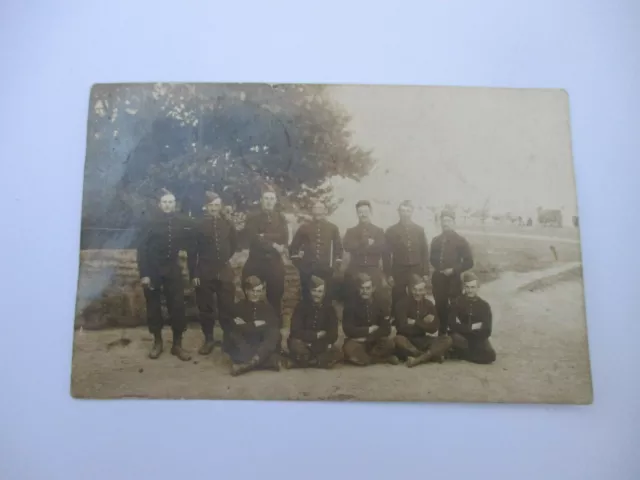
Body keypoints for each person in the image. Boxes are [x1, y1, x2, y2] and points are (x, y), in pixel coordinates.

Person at [136, 188, 193, 361]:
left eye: (171, 202)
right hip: (153, 271)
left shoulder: (181, 221)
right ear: (160, 205)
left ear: (175, 205)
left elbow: (195, 235)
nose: (168, 205)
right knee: (153, 308)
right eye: (165, 202)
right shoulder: (149, 222)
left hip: (172, 270)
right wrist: (145, 274)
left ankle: (177, 345)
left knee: (177, 306)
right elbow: (142, 249)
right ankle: (157, 342)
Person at [188, 191, 238, 355]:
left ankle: (228, 338)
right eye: (212, 206)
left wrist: (223, 260)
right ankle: (209, 339)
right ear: (206, 207)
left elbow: (233, 246)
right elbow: (192, 252)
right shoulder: (198, 226)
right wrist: (194, 274)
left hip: (224, 270)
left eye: (217, 205)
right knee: (206, 308)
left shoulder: (228, 224)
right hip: (204, 271)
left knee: (227, 307)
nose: (215, 209)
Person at [241, 187, 289, 322]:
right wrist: (274, 243)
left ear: (275, 201)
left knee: (276, 296)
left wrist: (265, 236)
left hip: (274, 263)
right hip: (256, 261)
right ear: (261, 200)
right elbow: (254, 239)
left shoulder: (281, 217)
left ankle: (274, 328)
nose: (269, 201)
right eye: (266, 198)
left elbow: (284, 237)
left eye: (272, 199)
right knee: (251, 294)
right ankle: (250, 325)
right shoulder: (252, 217)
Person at [430, 209, 473, 336]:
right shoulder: (436, 240)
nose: (445, 223)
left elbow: (469, 262)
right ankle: (442, 336)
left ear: (453, 222)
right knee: (440, 306)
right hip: (439, 280)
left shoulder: (460, 240)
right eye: (443, 221)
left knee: (454, 308)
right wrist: (439, 269)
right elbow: (432, 259)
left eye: (448, 220)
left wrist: (454, 270)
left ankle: (454, 336)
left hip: (453, 280)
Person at [226, 276, 282, 376]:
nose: (256, 294)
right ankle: (264, 362)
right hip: (247, 344)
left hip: (261, 345)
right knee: (233, 335)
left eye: (259, 291)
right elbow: (233, 326)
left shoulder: (267, 307)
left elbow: (273, 324)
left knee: (274, 333)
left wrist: (246, 326)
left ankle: (247, 365)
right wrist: (255, 324)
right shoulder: (238, 307)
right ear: (246, 291)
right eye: (253, 291)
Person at [289, 200, 343, 302]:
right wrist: (300, 265)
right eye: (315, 209)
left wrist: (334, 267)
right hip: (308, 270)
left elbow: (338, 248)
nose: (318, 212)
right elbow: (293, 248)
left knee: (326, 298)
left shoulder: (332, 228)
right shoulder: (304, 228)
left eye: (320, 209)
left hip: (326, 270)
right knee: (307, 297)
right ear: (312, 211)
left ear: (325, 211)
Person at [394, 274, 453, 367]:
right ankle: (429, 356)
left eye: (420, 290)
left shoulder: (429, 304)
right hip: (407, 340)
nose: (417, 293)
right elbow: (402, 327)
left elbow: (434, 328)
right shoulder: (401, 304)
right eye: (414, 289)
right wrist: (424, 323)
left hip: (423, 339)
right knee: (398, 339)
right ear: (409, 289)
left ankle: (418, 359)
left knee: (447, 339)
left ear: (425, 290)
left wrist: (415, 322)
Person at [384, 200, 429, 316]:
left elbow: (424, 252)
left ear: (412, 212)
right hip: (399, 268)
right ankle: (398, 320)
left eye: (408, 211)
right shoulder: (391, 230)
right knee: (398, 294)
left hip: (416, 268)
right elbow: (386, 254)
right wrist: (388, 274)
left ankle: (416, 318)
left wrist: (425, 272)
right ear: (399, 212)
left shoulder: (419, 230)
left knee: (416, 293)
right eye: (403, 211)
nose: (405, 214)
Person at [285, 276, 342, 369]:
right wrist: (316, 335)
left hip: (320, 344)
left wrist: (316, 344)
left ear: (324, 293)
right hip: (303, 343)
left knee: (336, 351)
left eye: (320, 292)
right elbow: (295, 331)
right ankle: (316, 361)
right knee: (296, 345)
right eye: (314, 291)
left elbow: (333, 334)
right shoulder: (301, 306)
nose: (317, 294)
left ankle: (304, 361)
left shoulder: (329, 309)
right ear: (310, 291)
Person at [342, 273, 399, 366]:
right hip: (357, 341)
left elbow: (386, 329)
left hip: (374, 340)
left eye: (368, 288)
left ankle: (366, 359)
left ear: (373, 288)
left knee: (389, 344)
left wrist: (368, 338)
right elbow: (348, 329)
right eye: (362, 288)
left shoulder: (381, 302)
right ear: (358, 288)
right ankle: (382, 359)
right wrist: (368, 330)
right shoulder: (350, 303)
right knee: (349, 348)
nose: (365, 291)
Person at [342, 200, 389, 303]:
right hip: (355, 269)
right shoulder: (351, 231)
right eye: (360, 212)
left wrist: (359, 246)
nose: (363, 215)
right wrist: (366, 243)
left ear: (370, 212)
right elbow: (347, 246)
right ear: (357, 213)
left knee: (376, 299)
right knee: (352, 299)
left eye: (366, 212)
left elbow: (381, 247)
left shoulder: (378, 231)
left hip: (373, 269)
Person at [448, 272, 496, 364]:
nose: (470, 290)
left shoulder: (484, 305)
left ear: (478, 288)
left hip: (477, 337)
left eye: (473, 287)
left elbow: (487, 329)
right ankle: (466, 352)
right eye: (467, 287)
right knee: (453, 337)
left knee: (491, 356)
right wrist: (471, 328)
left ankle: (462, 354)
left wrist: (474, 335)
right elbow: (452, 324)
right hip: (461, 336)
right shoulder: (457, 302)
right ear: (464, 288)